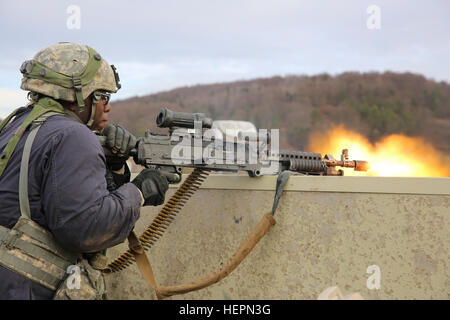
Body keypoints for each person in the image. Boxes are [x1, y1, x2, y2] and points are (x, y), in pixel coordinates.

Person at [0, 42, 169, 299]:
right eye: (103, 96)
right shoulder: (73, 136)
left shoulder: (16, 125)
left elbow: (45, 194)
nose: (108, 106)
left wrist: (112, 167)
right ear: (78, 95)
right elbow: (84, 228)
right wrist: (139, 192)